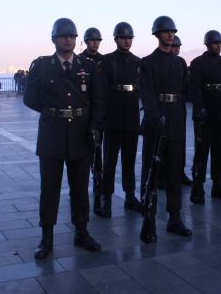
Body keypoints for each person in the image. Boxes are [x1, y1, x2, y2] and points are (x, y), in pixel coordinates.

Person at [23, 17, 103, 259]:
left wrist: (94, 125)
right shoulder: (42, 66)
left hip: (80, 134)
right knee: (50, 189)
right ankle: (47, 237)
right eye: (63, 35)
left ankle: (81, 232)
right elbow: (30, 98)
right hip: (52, 134)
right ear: (54, 39)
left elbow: (98, 99)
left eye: (72, 36)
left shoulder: (87, 66)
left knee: (80, 187)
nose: (68, 39)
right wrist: (53, 111)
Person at [138, 16, 192, 240]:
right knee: (151, 173)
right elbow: (147, 94)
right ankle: (149, 217)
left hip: (176, 123)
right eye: (166, 31)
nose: (171, 34)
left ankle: (174, 217)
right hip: (156, 124)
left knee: (174, 173)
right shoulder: (147, 62)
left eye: (173, 31)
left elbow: (183, 93)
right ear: (157, 34)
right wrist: (154, 117)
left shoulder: (180, 63)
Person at [97, 22, 142, 217]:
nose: (127, 40)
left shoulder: (137, 62)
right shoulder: (107, 61)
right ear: (116, 39)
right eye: (123, 37)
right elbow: (101, 91)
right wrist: (101, 118)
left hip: (131, 117)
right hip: (113, 119)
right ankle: (106, 197)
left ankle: (130, 195)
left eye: (130, 38)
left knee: (129, 160)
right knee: (109, 161)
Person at [189, 30, 221, 204]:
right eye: (215, 43)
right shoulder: (198, 63)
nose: (218, 45)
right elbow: (194, 87)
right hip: (204, 114)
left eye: (220, 43)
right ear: (207, 44)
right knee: (201, 152)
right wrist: (199, 107)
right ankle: (198, 187)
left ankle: (218, 185)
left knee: (220, 152)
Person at [170, 35, 193, 186]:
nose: (177, 49)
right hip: (165, 106)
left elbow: (184, 86)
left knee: (180, 142)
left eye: (179, 47)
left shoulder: (181, 63)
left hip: (178, 106)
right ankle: (163, 174)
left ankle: (180, 172)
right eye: (175, 46)